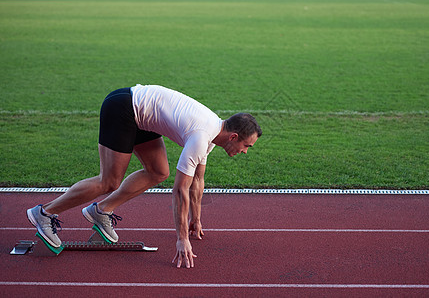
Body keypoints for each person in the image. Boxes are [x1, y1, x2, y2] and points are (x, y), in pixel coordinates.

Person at [26, 84, 262, 268]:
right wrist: (181, 239)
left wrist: (196, 219)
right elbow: (180, 190)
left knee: (159, 171)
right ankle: (45, 213)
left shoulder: (212, 135)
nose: (244, 152)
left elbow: (197, 181)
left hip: (141, 116)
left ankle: (100, 211)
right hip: (124, 108)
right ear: (233, 137)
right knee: (109, 181)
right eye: (247, 146)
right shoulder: (202, 136)